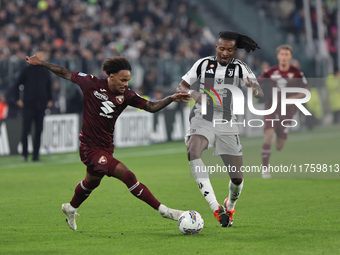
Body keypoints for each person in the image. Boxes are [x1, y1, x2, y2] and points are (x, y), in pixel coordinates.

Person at [25, 54, 190, 231]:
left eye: (128, 80)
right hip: (89, 148)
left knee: (92, 182)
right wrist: (41, 63)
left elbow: (151, 107)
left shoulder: (127, 95)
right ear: (111, 77)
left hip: (106, 148)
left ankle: (70, 208)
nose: (126, 84)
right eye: (123, 80)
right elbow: (65, 73)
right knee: (127, 176)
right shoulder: (91, 83)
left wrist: (171, 98)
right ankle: (165, 211)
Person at [176, 31, 263, 227]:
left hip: (226, 121)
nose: (225, 53)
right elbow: (180, 87)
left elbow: (260, 95)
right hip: (203, 117)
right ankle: (215, 207)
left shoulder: (241, 68)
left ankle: (230, 204)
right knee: (193, 151)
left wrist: (254, 88)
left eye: (229, 49)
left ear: (235, 50)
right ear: (216, 47)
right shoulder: (202, 64)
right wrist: (194, 94)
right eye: (221, 48)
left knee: (237, 178)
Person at [258, 45, 308, 178]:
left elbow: (305, 92)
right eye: (282, 54)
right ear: (278, 56)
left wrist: (292, 98)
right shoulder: (270, 71)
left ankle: (277, 133)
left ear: (290, 57)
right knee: (268, 136)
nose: (284, 57)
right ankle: (265, 170)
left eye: (287, 54)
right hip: (272, 107)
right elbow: (258, 81)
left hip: (288, 111)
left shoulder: (297, 73)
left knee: (279, 146)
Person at [6, 50, 53, 161]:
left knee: (38, 130)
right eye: (39, 56)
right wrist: (17, 99)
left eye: (42, 56)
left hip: (41, 106)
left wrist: (50, 99)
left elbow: (48, 86)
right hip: (28, 105)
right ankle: (25, 154)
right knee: (26, 130)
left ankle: (35, 155)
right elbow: (16, 84)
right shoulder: (26, 70)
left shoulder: (45, 71)